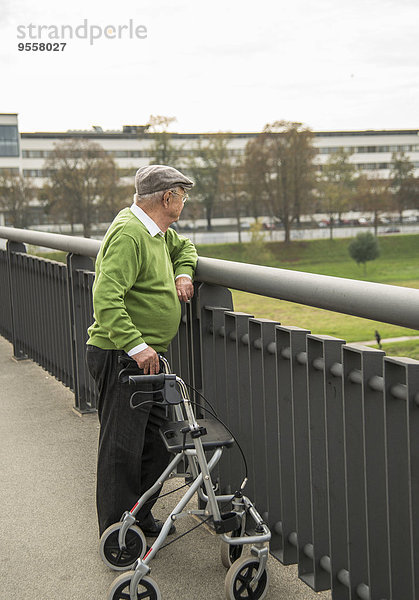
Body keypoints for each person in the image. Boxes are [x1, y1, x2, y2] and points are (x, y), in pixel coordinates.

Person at [86, 164, 198, 538]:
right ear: (167, 197)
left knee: (160, 442)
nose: (184, 201)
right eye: (183, 194)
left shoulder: (157, 232)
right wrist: (137, 346)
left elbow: (186, 247)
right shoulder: (130, 234)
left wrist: (183, 272)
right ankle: (116, 535)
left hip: (147, 360)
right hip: (124, 357)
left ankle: (137, 514)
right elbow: (105, 297)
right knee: (122, 450)